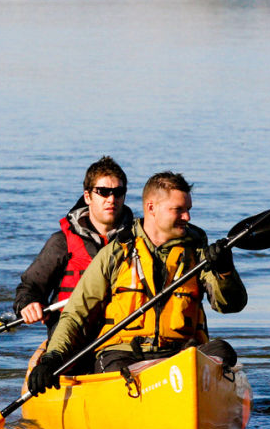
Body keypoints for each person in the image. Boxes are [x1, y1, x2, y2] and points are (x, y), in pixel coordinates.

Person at [27, 171, 246, 394]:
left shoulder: (198, 253)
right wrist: (52, 358)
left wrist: (225, 271)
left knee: (223, 350)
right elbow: (76, 314)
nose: (187, 217)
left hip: (182, 353)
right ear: (151, 208)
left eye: (188, 210)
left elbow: (231, 305)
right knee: (114, 367)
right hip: (123, 354)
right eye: (178, 210)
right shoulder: (115, 253)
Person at [13, 156, 134, 332]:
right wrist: (29, 304)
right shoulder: (61, 243)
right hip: (70, 335)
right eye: (103, 191)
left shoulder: (139, 240)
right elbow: (30, 287)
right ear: (88, 196)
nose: (111, 199)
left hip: (122, 337)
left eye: (118, 192)